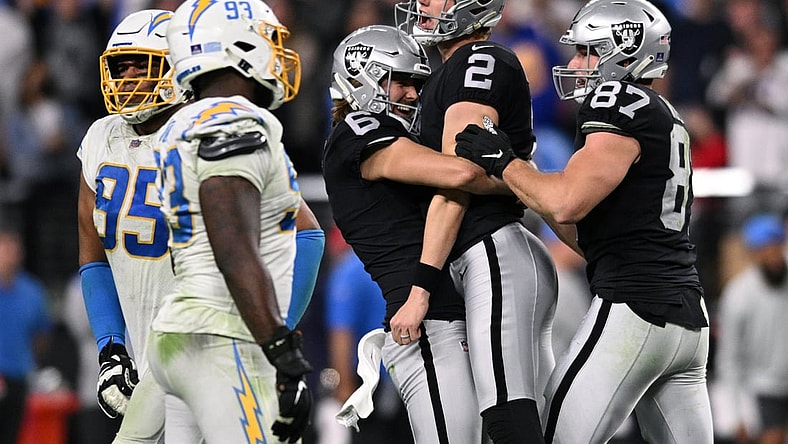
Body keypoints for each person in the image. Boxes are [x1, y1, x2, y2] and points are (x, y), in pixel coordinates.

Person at [454, 0, 714, 442]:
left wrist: (505, 163)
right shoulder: (664, 113)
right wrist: (527, 181)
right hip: (687, 323)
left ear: (624, 53)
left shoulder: (618, 100)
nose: (574, 64)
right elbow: (589, 237)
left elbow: (567, 203)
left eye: (586, 52)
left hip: (634, 311)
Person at [323, 24, 509, 443]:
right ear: (361, 75)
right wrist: (520, 176)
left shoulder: (384, 137)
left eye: (417, 83)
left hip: (443, 319)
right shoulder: (356, 132)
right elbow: (462, 172)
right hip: (426, 328)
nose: (412, 93)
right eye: (401, 80)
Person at [147, 1, 313, 442]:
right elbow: (233, 245)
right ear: (237, 44)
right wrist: (281, 349)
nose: (277, 51)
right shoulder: (237, 118)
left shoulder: (179, 122)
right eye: (269, 38)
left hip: (181, 334)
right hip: (225, 335)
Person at [394, 1, 558, 441]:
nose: (422, 4)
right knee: (524, 416)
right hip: (495, 255)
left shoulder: (477, 59)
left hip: (493, 251)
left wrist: (421, 286)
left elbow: (460, 173)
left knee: (507, 415)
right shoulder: (444, 71)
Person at [76, 10, 195, 443]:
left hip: (205, 348)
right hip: (149, 355)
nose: (126, 77)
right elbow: (93, 256)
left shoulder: (207, 135)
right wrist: (111, 348)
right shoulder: (101, 139)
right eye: (119, 66)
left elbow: (305, 231)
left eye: (140, 65)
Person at [716, 214, 788, 444]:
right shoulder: (738, 296)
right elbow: (729, 358)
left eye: (776, 247)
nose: (773, 255)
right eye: (765, 249)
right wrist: (736, 414)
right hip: (763, 390)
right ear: (753, 254)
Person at [0, 219, 53, 444]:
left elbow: (42, 334)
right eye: (5, 248)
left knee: (13, 435)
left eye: (15, 248)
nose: (12, 254)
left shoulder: (33, 291)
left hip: (20, 377)